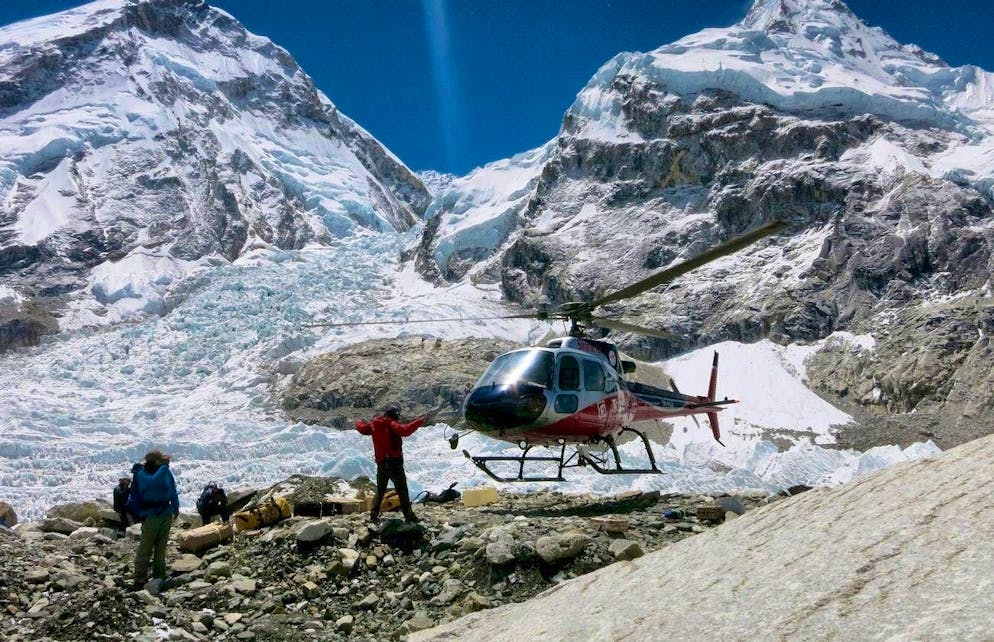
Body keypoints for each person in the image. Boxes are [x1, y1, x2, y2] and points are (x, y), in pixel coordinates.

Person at [355, 405, 430, 524]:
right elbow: (405, 430)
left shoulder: (375, 423)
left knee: (380, 490)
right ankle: (409, 515)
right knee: (402, 490)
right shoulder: (391, 424)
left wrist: (358, 421)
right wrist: (419, 421)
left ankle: (373, 515)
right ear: (393, 416)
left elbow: (363, 429)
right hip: (394, 462)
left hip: (381, 463)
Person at [127, 450, 180, 589]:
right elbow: (152, 483)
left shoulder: (165, 471)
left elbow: (172, 489)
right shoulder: (142, 474)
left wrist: (175, 507)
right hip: (151, 514)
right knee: (146, 546)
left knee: (161, 547)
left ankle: (159, 575)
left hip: (165, 513)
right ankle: (139, 577)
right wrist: (164, 467)